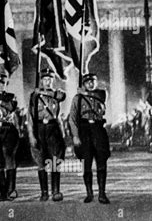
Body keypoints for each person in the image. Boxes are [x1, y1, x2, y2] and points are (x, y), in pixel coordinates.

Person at [69, 73, 110, 204]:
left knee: (101, 161)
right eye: (88, 82)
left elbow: (101, 97)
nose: (91, 84)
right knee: (86, 163)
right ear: (84, 84)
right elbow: (73, 118)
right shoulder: (77, 98)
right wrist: (75, 135)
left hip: (98, 130)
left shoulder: (101, 94)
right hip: (84, 131)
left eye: (93, 81)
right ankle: (89, 193)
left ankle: (102, 194)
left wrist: (84, 93)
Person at [27, 68, 66, 202]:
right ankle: (44, 192)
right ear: (41, 80)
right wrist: (31, 135)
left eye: (50, 79)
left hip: (53, 129)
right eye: (44, 79)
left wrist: (41, 92)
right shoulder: (34, 96)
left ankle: (56, 191)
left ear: (53, 80)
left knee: (55, 161)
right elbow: (30, 116)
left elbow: (62, 97)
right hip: (39, 129)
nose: (47, 81)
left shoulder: (57, 93)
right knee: (41, 161)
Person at [0, 73, 19, 201]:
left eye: (3, 83)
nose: (1, 85)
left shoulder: (11, 96)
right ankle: (3, 192)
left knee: (9, 157)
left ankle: (11, 189)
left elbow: (11, 107)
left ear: (6, 84)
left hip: (8, 129)